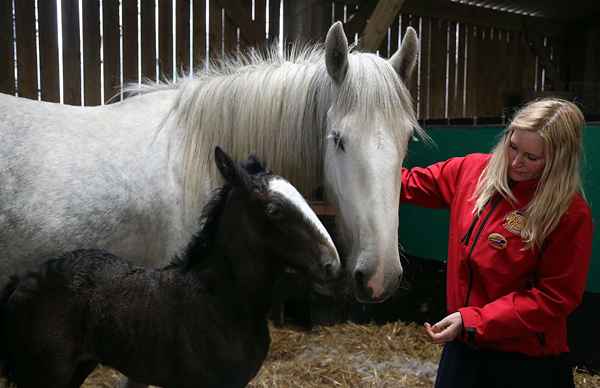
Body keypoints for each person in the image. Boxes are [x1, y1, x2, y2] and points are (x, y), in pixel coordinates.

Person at [400, 98, 593, 388]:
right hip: (465, 346)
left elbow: (554, 297)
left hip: (526, 362)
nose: (516, 162)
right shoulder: (472, 171)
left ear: (558, 160)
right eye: (513, 147)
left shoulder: (569, 213)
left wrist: (475, 320)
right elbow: (406, 184)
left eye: (532, 157)